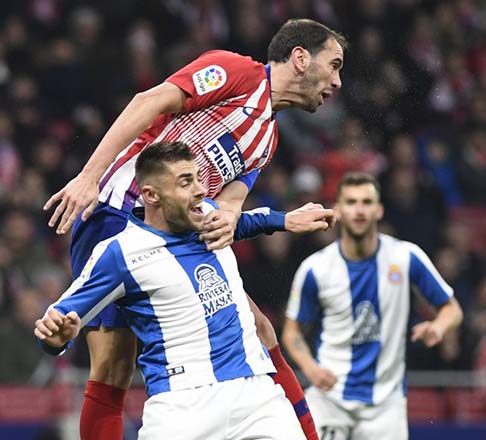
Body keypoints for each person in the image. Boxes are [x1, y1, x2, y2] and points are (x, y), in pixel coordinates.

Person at [42, 18, 347, 440]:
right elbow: (147, 102)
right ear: (300, 59)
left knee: (258, 329)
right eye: (333, 65)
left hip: (180, 235)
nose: (337, 80)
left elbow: (225, 209)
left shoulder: (267, 139)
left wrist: (272, 220)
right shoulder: (235, 71)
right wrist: (89, 176)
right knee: (114, 365)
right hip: (119, 212)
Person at [35, 141, 323, 439]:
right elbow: (60, 315)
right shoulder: (120, 254)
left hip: (255, 395)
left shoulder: (208, 215)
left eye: (198, 178)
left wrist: (284, 220)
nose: (200, 189)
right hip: (182, 406)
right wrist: (56, 340)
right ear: (151, 195)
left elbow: (242, 222)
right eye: (186, 182)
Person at [282, 172, 464, 440]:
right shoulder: (316, 269)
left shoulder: (405, 257)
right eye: (351, 201)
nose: (359, 209)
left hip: (385, 406)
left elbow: (452, 309)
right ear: (339, 210)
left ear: (379, 210)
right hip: (330, 400)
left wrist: (438, 327)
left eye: (367, 202)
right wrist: (310, 368)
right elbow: (291, 331)